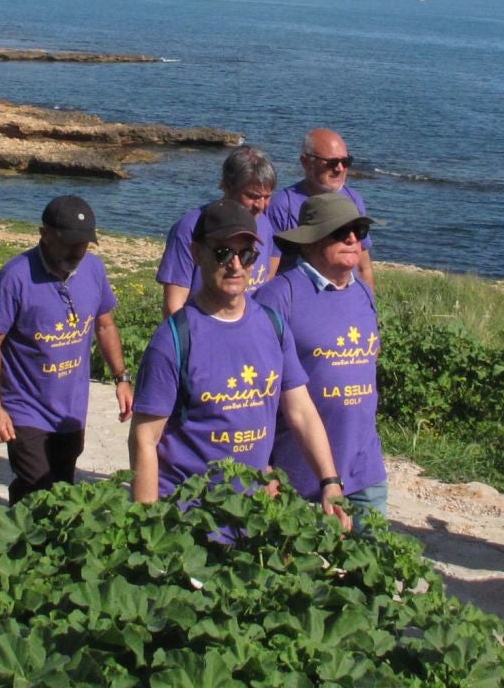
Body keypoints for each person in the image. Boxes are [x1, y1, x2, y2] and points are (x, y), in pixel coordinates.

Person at [128, 199, 351, 531]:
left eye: (246, 254)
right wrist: (146, 529)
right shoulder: (174, 339)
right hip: (190, 520)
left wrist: (330, 481)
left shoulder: (273, 326)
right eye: (222, 253)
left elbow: (301, 410)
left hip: (254, 516)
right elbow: (144, 439)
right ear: (196, 253)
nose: (235, 265)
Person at [0, 195, 132, 502]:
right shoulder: (15, 277)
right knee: (37, 486)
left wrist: (122, 377)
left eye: (84, 243)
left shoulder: (93, 270)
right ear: (44, 234)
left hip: (71, 407)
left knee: (62, 485)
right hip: (25, 406)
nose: (78, 251)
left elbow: (105, 324)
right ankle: (24, 540)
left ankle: (28, 534)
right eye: (70, 243)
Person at [260, 192, 387, 522]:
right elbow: (257, 388)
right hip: (298, 474)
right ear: (308, 241)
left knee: (373, 565)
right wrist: (263, 464)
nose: (352, 238)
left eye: (358, 230)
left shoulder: (362, 292)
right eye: (339, 231)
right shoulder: (278, 296)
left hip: (365, 469)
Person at [156, 144, 280, 314]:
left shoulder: (265, 224)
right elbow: (174, 305)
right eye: (252, 196)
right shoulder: (190, 227)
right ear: (227, 186)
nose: (260, 205)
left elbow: (266, 280)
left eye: (267, 197)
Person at [266, 128, 373, 289]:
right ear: (306, 162)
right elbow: (269, 274)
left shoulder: (353, 200)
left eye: (346, 162)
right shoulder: (282, 206)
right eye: (331, 163)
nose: (339, 169)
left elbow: (363, 267)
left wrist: (369, 308)